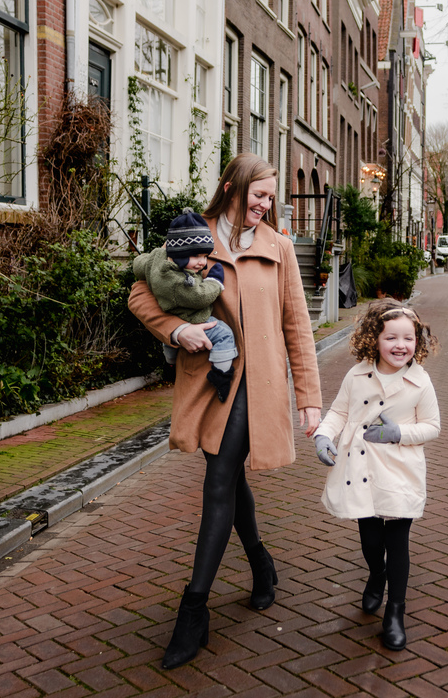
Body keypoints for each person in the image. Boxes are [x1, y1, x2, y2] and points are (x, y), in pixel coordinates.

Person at [128, 153, 322, 668]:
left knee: (219, 480)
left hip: (256, 386)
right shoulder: (196, 235)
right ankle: (260, 562)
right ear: (232, 188)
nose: (266, 204)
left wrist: (310, 400)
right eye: (259, 194)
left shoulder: (279, 248)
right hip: (211, 381)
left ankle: (193, 610)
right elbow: (140, 291)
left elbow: (298, 328)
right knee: (230, 481)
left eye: (271, 196)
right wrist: (176, 330)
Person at [312, 300, 440, 651]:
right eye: (391, 338)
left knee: (396, 542)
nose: (401, 346)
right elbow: (338, 412)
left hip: (400, 470)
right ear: (374, 339)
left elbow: (433, 426)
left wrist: (400, 433)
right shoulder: (357, 374)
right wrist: (325, 435)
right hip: (360, 468)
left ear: (418, 341)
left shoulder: (420, 381)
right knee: (371, 541)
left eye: (409, 338)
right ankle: (376, 574)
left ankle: (395, 612)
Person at [132, 208, 237, 401]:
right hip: (195, 319)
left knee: (172, 349)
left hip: (175, 312)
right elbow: (200, 297)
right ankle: (221, 374)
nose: (202, 263)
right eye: (197, 257)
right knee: (223, 333)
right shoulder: (181, 281)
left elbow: (140, 264)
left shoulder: (159, 258)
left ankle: (170, 361)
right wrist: (215, 282)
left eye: (205, 257)